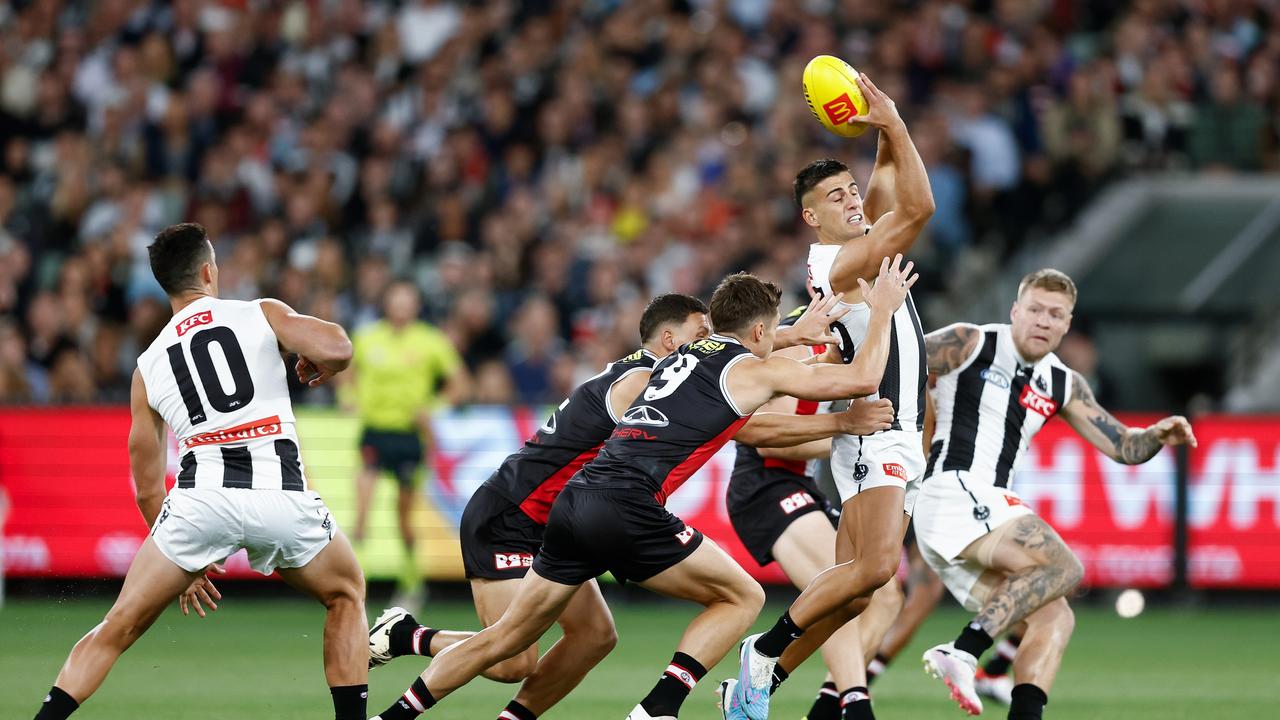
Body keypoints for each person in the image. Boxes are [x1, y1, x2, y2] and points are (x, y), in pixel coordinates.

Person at [367, 260, 917, 720]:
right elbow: (857, 380)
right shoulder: (738, 368)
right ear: (755, 334)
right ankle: (657, 710)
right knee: (743, 596)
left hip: (571, 502)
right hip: (603, 506)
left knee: (510, 642)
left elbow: (741, 366)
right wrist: (884, 311)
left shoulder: (669, 362)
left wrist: (793, 333)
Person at [31, 223, 368, 720]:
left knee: (117, 627)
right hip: (281, 493)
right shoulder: (260, 313)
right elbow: (339, 347)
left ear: (164, 285)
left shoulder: (147, 368)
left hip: (200, 500)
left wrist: (182, 560)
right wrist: (321, 367)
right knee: (346, 594)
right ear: (210, 270)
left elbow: (147, 485)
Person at [727, 72, 935, 720]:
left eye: (851, 192)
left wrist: (878, 136)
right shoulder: (839, 267)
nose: (851, 202)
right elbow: (919, 208)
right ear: (810, 216)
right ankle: (764, 652)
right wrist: (896, 122)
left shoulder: (859, 245)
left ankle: (788, 697)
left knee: (852, 594)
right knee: (874, 574)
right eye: (834, 197)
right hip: (875, 431)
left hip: (895, 432)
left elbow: (883, 191)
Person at [915, 268, 1196, 719]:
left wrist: (1158, 434)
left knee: (1056, 616)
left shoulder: (1063, 382)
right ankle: (964, 651)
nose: (1043, 321)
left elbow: (1123, 445)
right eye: (1035, 310)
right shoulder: (971, 342)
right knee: (1064, 565)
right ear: (1015, 311)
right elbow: (901, 359)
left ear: (1068, 324)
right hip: (953, 491)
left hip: (977, 512)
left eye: (1056, 315)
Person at [720, 306, 903, 720]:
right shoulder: (797, 344)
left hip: (799, 483)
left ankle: (809, 700)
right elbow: (770, 439)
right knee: (840, 581)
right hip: (765, 484)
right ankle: (855, 704)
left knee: (885, 594)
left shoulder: (849, 343)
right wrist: (852, 433)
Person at [345, 280, 469, 607]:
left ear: (416, 305)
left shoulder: (431, 341)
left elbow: (460, 384)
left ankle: (412, 583)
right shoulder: (367, 337)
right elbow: (346, 372)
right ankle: (353, 584)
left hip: (409, 437)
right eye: (395, 299)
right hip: (374, 431)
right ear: (386, 303)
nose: (401, 306)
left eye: (407, 300)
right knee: (361, 509)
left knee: (403, 516)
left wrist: (433, 409)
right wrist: (347, 396)